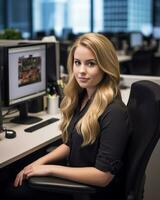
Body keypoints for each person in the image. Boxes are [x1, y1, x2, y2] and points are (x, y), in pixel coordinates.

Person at [4, 33, 130, 200]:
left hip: (86, 191)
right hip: (75, 175)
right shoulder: (84, 97)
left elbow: (103, 176)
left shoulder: (114, 112)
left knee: (9, 191)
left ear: (105, 66)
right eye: (77, 63)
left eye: (91, 64)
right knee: (13, 174)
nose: (81, 71)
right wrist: (38, 163)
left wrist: (50, 169)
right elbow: (71, 143)